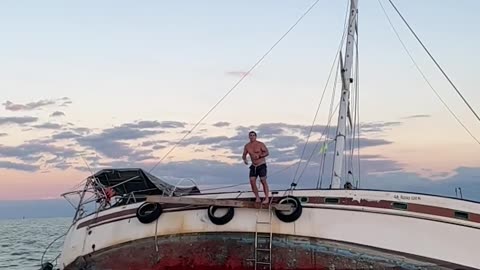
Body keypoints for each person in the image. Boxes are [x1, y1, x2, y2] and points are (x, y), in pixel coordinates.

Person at [242, 131, 270, 204]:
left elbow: (267, 152)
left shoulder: (260, 144)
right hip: (253, 166)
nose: (252, 137)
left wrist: (260, 156)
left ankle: (266, 198)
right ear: (249, 137)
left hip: (261, 164)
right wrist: (245, 160)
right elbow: (244, 154)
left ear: (255, 136)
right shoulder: (247, 146)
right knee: (252, 181)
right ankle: (257, 197)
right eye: (250, 135)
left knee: (263, 180)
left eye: (253, 135)